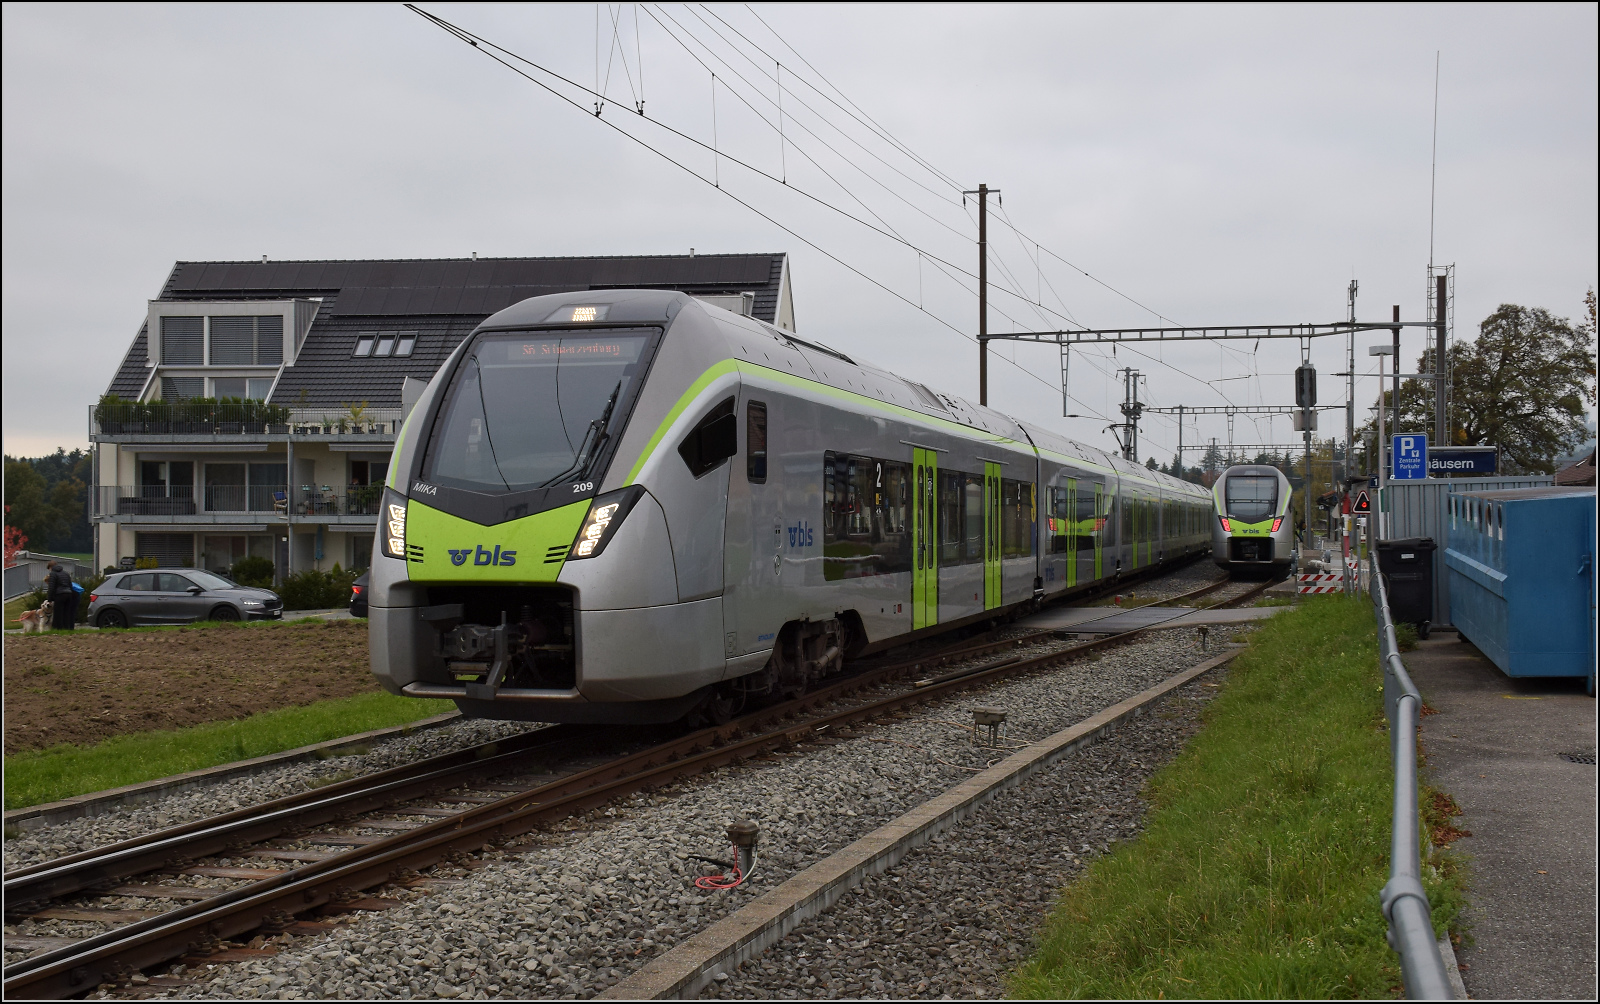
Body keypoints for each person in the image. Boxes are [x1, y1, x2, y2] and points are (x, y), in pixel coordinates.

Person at [46, 560, 76, 631]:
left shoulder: (53, 574)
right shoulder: (66, 573)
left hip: (60, 595)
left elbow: (51, 587)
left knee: (58, 613)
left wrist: (49, 599)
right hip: (68, 594)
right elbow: (70, 585)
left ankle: (59, 629)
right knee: (66, 612)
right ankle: (67, 628)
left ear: (51, 567)